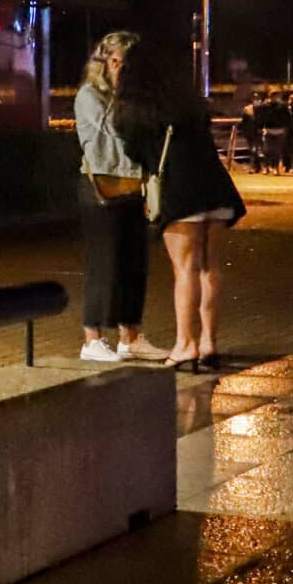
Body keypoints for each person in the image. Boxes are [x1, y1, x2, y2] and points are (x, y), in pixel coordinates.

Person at [112, 39, 246, 371]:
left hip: (181, 190)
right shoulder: (191, 103)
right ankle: (208, 342)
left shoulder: (136, 109)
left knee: (184, 268)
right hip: (216, 187)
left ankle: (185, 344)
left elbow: (135, 152)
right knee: (209, 265)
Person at [73, 32, 168, 363]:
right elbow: (115, 129)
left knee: (134, 263)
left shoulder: (134, 98)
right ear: (102, 62)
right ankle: (92, 338)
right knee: (104, 262)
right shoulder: (90, 95)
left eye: (127, 65)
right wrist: (122, 90)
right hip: (101, 187)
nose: (121, 70)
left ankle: (131, 336)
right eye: (115, 62)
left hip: (132, 184)